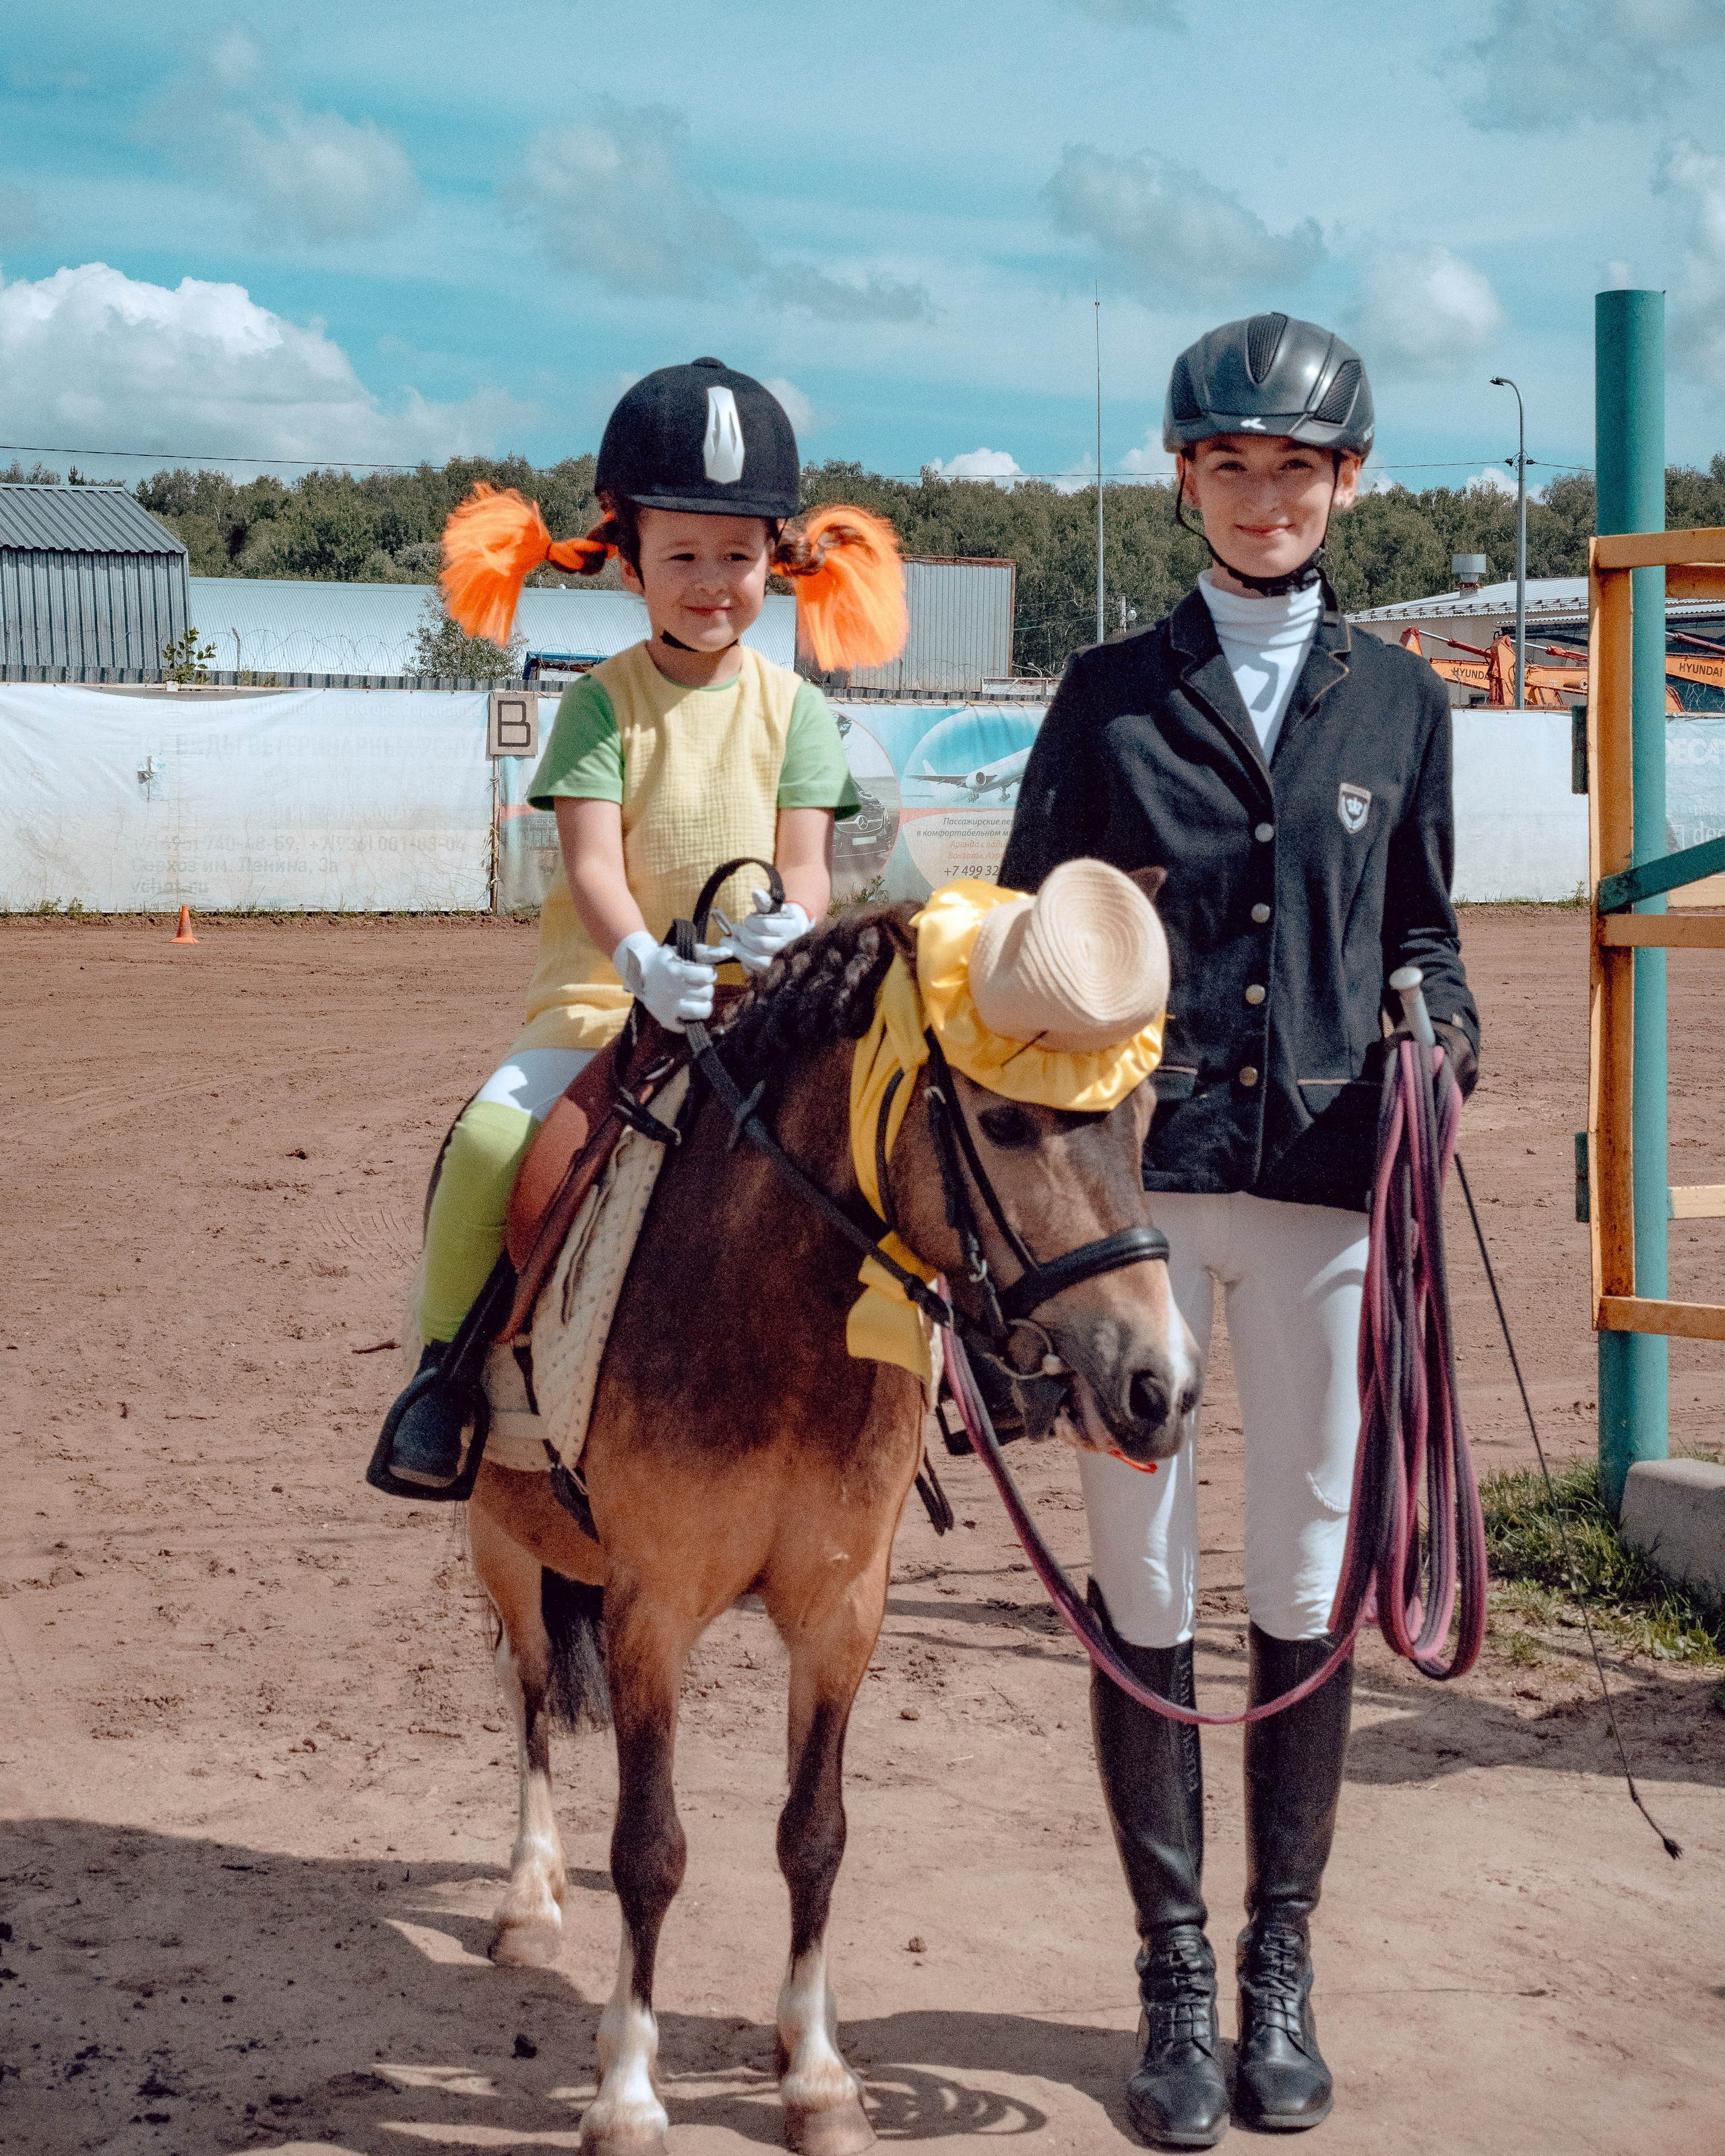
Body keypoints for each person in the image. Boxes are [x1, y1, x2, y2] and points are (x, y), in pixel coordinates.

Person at [999, 313, 1480, 2149]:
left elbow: (1424, 929)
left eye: (1297, 470)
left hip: (1330, 1191)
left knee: (1301, 1572)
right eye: (1231, 468)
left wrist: (1445, 1023)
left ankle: (1284, 1968)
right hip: (1142, 1199)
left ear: (1349, 484)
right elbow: (1030, 941)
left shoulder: (1406, 701)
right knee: (1145, 1573)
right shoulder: (1109, 696)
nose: (1265, 498)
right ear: (1185, 479)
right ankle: (1174, 1985)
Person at [379, 358, 904, 1490]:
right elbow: (590, 864)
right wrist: (641, 964)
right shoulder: (599, 702)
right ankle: (445, 1377)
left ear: (778, 561)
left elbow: (809, 867)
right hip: (604, 1001)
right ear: (630, 562)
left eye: (738, 556)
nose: (712, 583)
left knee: (904, 1142)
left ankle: (934, 1387)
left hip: (759, 1012)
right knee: (486, 1141)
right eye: (683, 556)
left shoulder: (800, 710)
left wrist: (790, 929)